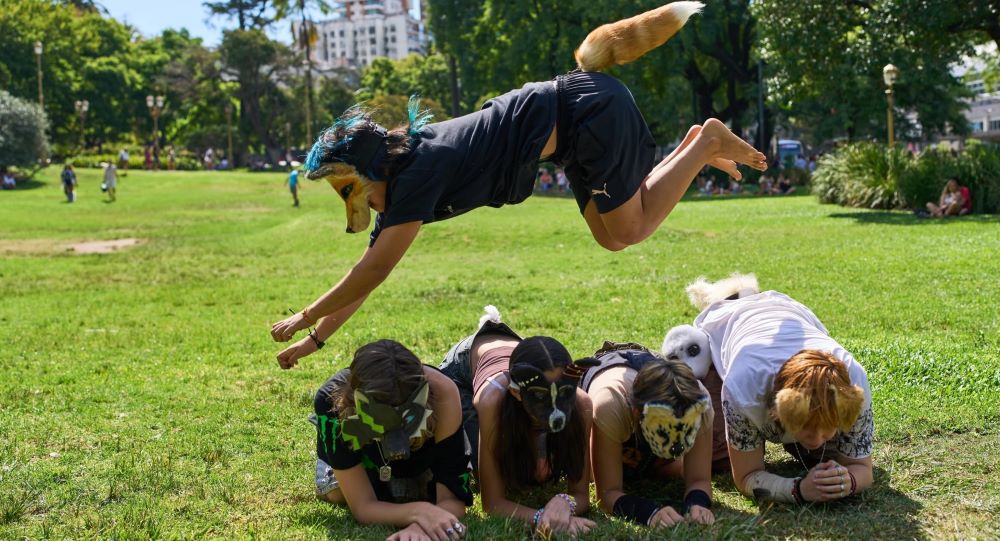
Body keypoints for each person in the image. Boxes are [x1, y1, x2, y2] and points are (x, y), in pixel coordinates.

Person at [269, 2, 766, 351]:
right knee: (612, 238)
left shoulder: (416, 173)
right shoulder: (401, 185)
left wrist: (306, 316)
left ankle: (703, 144)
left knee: (629, 229)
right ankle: (696, 146)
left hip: (587, 110)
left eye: (349, 189)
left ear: (374, 169)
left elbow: (371, 272)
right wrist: (316, 340)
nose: (353, 205)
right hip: (572, 129)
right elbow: (368, 277)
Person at [685, 277, 874, 506]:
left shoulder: (854, 386)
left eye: (826, 430)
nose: (816, 439)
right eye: (805, 426)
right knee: (719, 456)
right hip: (729, 325)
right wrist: (798, 491)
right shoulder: (743, 387)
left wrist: (847, 481)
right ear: (781, 407)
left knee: (824, 455)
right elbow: (745, 477)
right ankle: (733, 296)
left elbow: (862, 468)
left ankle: (743, 292)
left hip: (788, 314)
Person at [431, 309, 596, 537]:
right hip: (465, 366)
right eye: (540, 397)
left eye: (564, 394)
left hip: (516, 352)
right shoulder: (492, 401)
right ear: (516, 393)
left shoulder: (581, 403)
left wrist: (564, 502)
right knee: (488, 469)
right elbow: (492, 503)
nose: (555, 409)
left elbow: (581, 493)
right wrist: (542, 518)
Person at [310, 340, 473, 541]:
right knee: (337, 493)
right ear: (355, 401)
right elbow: (363, 506)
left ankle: (404, 486)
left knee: (419, 492)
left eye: (406, 421)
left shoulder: (442, 392)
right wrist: (420, 512)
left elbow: (452, 499)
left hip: (420, 462)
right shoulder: (330, 400)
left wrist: (420, 528)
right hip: (365, 460)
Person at [583, 342, 716, 528]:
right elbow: (606, 494)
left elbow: (699, 479)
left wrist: (698, 504)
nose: (675, 443)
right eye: (664, 429)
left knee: (677, 465)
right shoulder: (611, 403)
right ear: (637, 413)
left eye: (684, 428)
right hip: (614, 396)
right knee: (588, 472)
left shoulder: (700, 403)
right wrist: (647, 513)